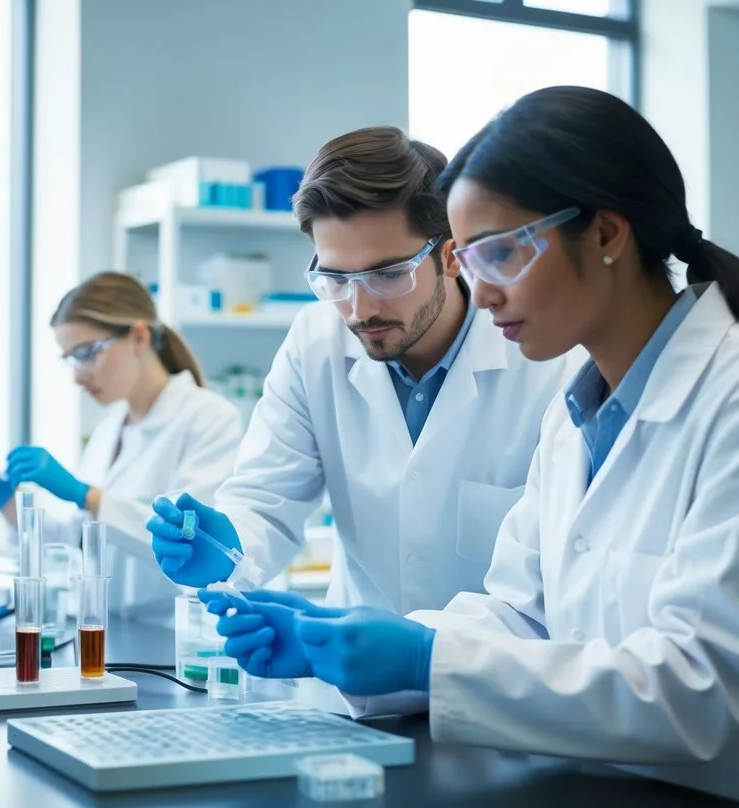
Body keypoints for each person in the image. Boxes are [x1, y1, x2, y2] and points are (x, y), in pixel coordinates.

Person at [199, 87, 739, 808]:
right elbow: (522, 610)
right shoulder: (577, 412)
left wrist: (428, 662)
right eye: (467, 257)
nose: (479, 292)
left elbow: (695, 687)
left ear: (606, 233)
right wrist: (358, 643)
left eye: (498, 253)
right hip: (607, 797)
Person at [148, 126, 575, 614]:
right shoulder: (314, 342)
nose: (359, 308)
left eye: (389, 274)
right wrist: (225, 548)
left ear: (451, 257)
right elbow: (265, 502)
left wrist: (425, 654)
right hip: (355, 681)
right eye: (334, 278)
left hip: (498, 676)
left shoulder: (543, 360)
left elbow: (552, 577)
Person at [0, 271, 241, 622]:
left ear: (138, 336)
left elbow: (192, 539)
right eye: (70, 358)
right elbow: (80, 542)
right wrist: (7, 505)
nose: (77, 376)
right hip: (108, 631)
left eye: (86, 353)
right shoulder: (109, 430)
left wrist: (86, 495)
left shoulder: (209, 418)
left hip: (173, 632)